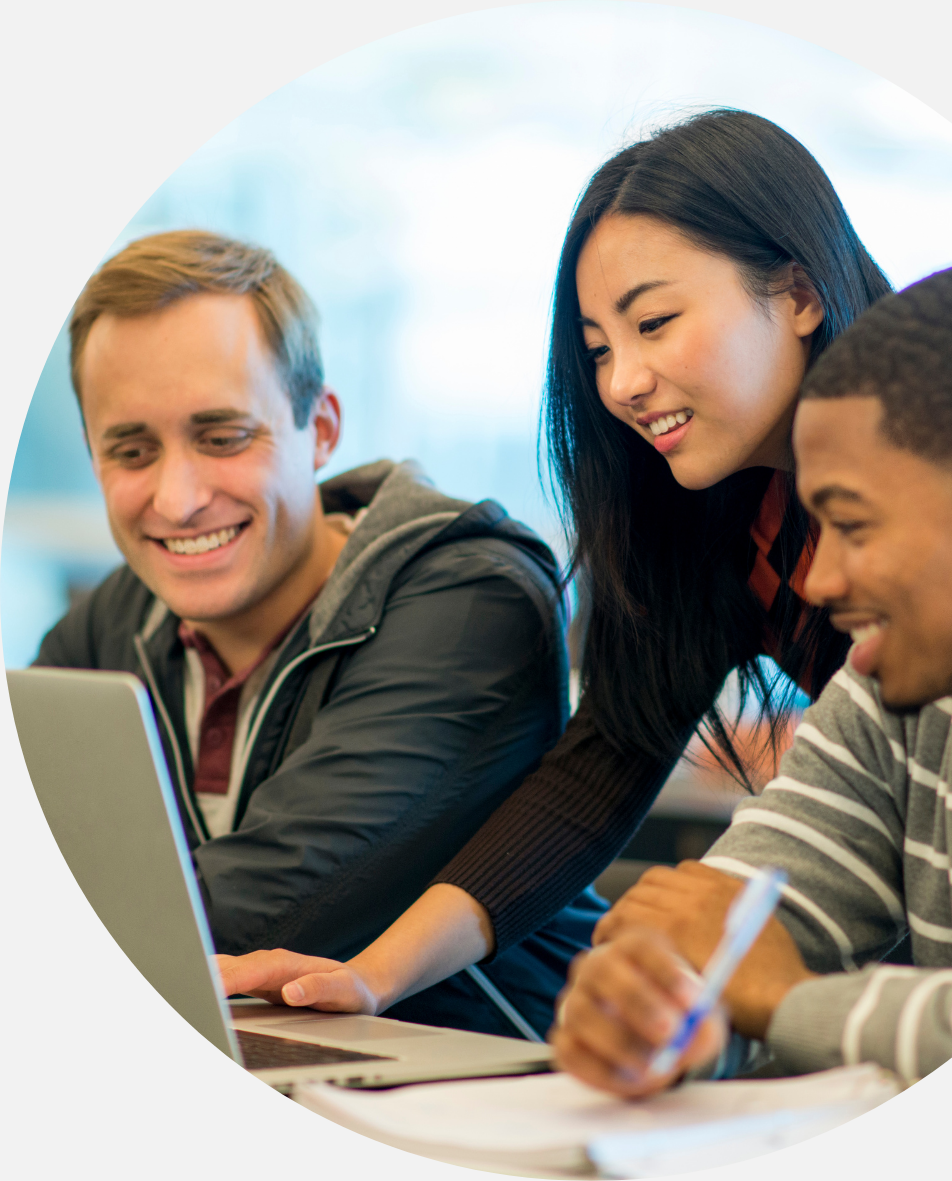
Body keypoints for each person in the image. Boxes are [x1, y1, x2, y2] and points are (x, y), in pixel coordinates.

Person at [218, 109, 952, 1018]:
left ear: (798, 293)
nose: (621, 383)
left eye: (653, 323)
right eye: (597, 349)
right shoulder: (716, 506)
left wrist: (787, 1002)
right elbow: (607, 767)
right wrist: (373, 976)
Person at [550, 263, 952, 1092]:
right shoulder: (896, 698)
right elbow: (732, 934)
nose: (817, 582)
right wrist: (662, 1007)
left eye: (852, 525)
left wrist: (784, 1001)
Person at [33, 229, 605, 1040]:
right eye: (131, 450)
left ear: (323, 428)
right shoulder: (113, 620)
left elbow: (258, 910)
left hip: (499, 1080)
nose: (178, 499)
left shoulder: (471, 599)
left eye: (223, 436)